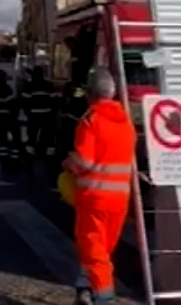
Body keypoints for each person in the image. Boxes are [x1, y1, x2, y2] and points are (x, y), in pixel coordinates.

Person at [63, 68, 136, 304]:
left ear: (89, 94)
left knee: (94, 251)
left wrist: (67, 163)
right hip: (119, 200)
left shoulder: (90, 120)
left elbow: (84, 161)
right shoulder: (125, 121)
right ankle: (84, 289)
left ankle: (103, 297)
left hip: (94, 199)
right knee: (102, 251)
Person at [19, 65, 57, 169]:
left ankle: (29, 161)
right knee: (50, 139)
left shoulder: (30, 86)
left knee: (32, 139)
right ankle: (51, 161)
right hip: (47, 116)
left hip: (34, 117)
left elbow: (25, 103)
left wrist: (29, 114)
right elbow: (55, 101)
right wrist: (52, 114)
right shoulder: (48, 85)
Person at [0, 70, 18, 170]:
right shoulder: (6, 88)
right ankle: (14, 161)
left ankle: (4, 162)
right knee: (16, 138)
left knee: (2, 141)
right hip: (9, 117)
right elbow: (12, 103)